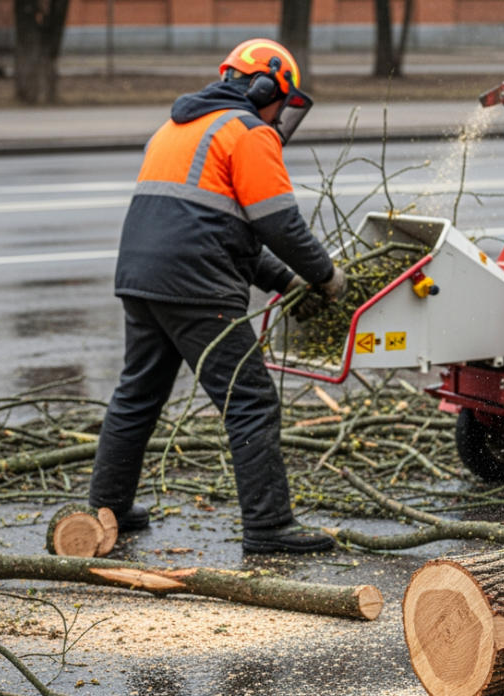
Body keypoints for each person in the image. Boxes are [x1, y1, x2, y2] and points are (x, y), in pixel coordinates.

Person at [88, 39, 345, 555]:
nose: (279, 115)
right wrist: (324, 276)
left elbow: (223, 229)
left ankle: (106, 509)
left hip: (142, 278)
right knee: (249, 400)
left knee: (137, 395)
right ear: (265, 86)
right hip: (197, 286)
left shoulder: (177, 127)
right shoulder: (246, 131)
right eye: (281, 101)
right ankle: (269, 528)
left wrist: (285, 283)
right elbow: (278, 224)